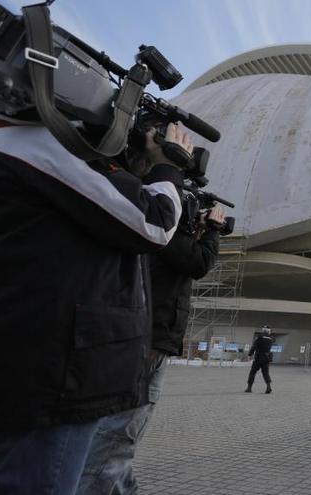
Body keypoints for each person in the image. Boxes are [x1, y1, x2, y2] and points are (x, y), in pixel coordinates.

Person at [0, 117, 185, 494]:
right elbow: (154, 221)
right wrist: (168, 169)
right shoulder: (44, 147)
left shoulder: (1, 146)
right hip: (54, 376)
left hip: (21, 361)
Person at [78, 164, 225, 492]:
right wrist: (212, 232)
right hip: (151, 337)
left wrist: (198, 231)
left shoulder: (168, 233)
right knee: (121, 432)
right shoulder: (162, 228)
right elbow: (197, 263)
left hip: (157, 336)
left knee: (125, 433)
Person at [246, 326, 274, 393]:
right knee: (266, 373)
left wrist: (250, 354)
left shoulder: (259, 337)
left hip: (258, 358)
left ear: (263, 330)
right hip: (266, 358)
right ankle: (268, 387)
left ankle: (249, 388)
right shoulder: (271, 338)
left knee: (252, 372)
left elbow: (254, 346)